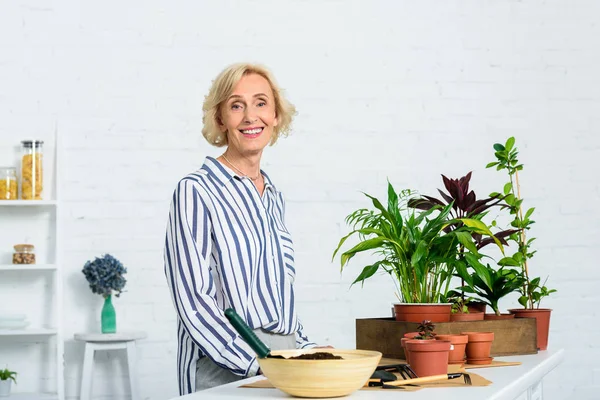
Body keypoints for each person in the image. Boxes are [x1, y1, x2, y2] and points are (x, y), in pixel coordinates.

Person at [164, 63, 325, 395]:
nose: (251, 116)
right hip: (220, 363)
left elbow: (279, 303)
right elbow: (194, 302)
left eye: (261, 103)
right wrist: (259, 363)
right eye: (237, 105)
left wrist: (310, 351)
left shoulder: (273, 197)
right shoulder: (196, 190)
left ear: (276, 115)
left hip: (280, 362)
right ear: (221, 119)